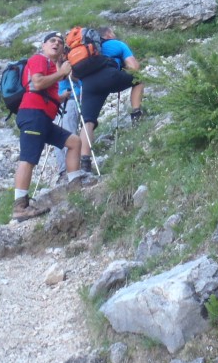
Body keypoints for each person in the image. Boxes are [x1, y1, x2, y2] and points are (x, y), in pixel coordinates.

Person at [12, 31, 85, 221]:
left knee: (74, 142)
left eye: (60, 42)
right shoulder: (39, 59)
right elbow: (36, 83)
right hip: (33, 115)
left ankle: (75, 185)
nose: (57, 44)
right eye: (52, 41)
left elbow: (44, 89)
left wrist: (60, 97)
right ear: (43, 45)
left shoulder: (51, 67)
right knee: (28, 158)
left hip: (42, 118)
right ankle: (20, 207)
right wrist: (61, 73)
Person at [76, 26, 144, 172]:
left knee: (88, 121)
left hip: (88, 85)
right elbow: (134, 67)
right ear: (107, 34)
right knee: (138, 79)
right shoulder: (117, 44)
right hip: (109, 77)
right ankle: (137, 115)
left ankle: (85, 163)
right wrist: (124, 71)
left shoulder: (88, 53)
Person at [54, 72, 82, 184]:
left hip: (71, 99)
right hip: (55, 102)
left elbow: (80, 79)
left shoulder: (72, 61)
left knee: (68, 136)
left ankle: (71, 172)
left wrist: (67, 72)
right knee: (56, 138)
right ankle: (63, 171)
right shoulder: (52, 63)